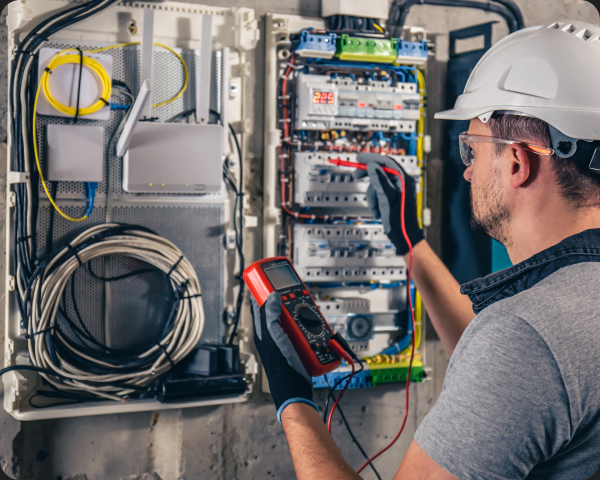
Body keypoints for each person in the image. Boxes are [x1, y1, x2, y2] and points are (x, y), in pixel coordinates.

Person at [250, 20, 600, 479]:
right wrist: (410, 242)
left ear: (517, 162)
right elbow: (519, 383)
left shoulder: (526, 338)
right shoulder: (561, 318)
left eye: (472, 149)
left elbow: (521, 356)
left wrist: (293, 400)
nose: (469, 172)